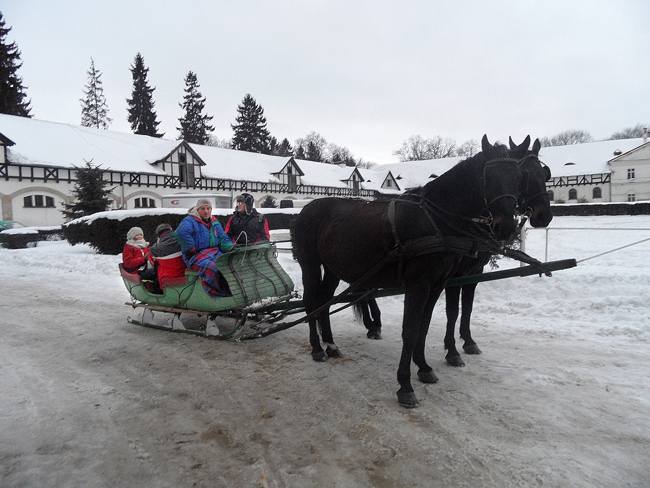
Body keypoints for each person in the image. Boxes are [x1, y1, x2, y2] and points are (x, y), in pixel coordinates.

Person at [174, 198, 234, 297]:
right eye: (203, 208)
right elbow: (180, 233)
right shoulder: (190, 220)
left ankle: (231, 291)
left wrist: (230, 247)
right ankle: (217, 294)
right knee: (211, 268)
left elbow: (222, 237)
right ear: (198, 210)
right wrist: (192, 248)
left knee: (227, 264)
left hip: (214, 252)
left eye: (208, 208)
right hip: (196, 255)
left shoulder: (214, 222)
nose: (206, 211)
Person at [148, 223, 186, 291]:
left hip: (166, 281)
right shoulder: (183, 240)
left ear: (159, 235)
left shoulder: (155, 249)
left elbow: (152, 259)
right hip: (185, 277)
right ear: (171, 230)